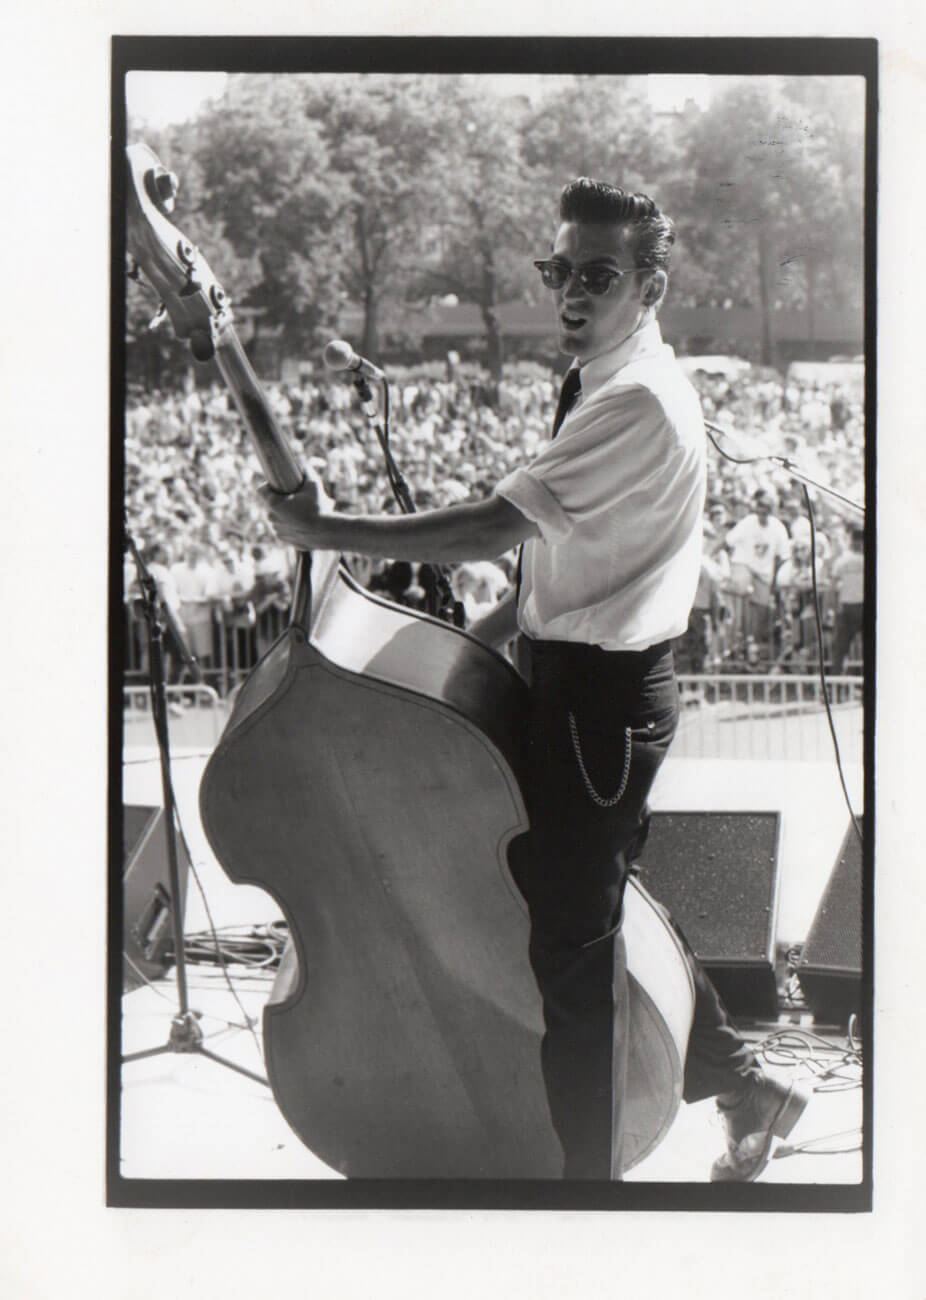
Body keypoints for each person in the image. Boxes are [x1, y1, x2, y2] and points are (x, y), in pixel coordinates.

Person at [260, 178, 807, 1182]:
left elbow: (488, 527)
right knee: (592, 916)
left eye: (596, 274)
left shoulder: (635, 399)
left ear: (650, 284)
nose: (569, 290)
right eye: (558, 270)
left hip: (596, 707)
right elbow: (561, 554)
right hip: (573, 685)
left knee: (572, 960)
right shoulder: (604, 374)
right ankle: (743, 1083)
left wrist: (320, 532)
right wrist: (484, 638)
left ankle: (583, 1205)